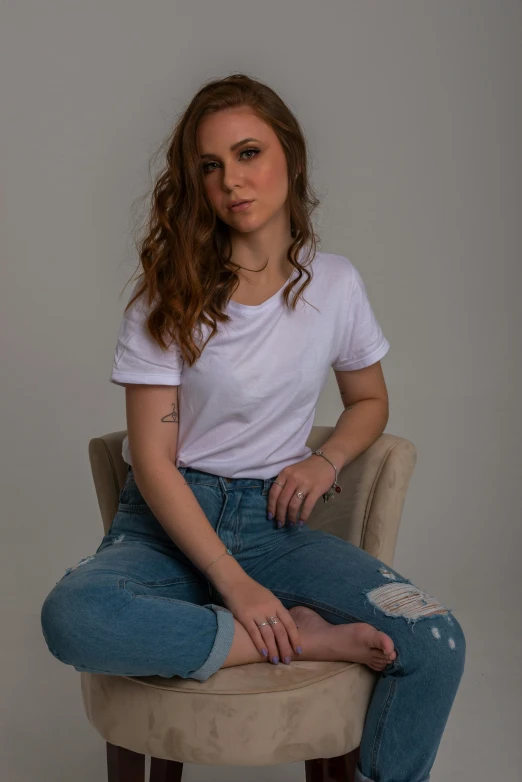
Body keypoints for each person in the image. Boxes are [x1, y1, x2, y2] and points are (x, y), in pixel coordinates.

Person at [40, 73, 466, 782]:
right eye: (211, 166)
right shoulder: (164, 296)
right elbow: (152, 461)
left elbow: (368, 401)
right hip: (167, 522)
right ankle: (290, 638)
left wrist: (325, 462)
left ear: (289, 158)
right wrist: (234, 587)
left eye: (248, 154)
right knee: (72, 617)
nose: (231, 180)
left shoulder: (335, 285)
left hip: (277, 523)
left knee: (435, 640)